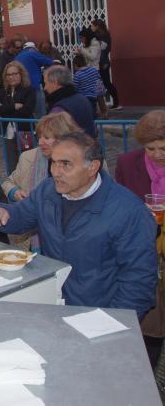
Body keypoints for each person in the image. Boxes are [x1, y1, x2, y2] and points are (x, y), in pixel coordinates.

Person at [0, 131, 158, 318]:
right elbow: (21, 214)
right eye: (54, 162)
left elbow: (139, 278)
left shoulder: (129, 211)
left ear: (92, 168)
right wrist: (3, 212)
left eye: (66, 164)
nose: (55, 172)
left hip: (99, 313)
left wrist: (115, 322)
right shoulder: (47, 191)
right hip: (54, 303)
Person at [115, 110, 165, 367]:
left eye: (163, 148)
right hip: (142, 253)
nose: (157, 154)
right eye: (151, 148)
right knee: (150, 324)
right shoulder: (127, 163)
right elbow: (119, 204)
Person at [1, 112, 82, 250]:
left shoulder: (85, 162)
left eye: (46, 138)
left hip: (72, 237)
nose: (40, 142)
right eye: (39, 137)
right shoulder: (28, 157)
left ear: (63, 137)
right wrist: (14, 192)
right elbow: (8, 182)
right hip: (35, 240)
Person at [0, 61, 36, 172]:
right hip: (7, 132)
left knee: (26, 160)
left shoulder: (29, 90)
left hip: (25, 131)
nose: (12, 77)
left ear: (21, 74)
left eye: (15, 74)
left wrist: (5, 109)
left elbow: (27, 110)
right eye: (9, 75)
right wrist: (14, 106)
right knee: (11, 162)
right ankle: (13, 186)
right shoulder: (2, 92)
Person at [44, 65, 96, 137]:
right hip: (88, 144)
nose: (45, 88)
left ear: (55, 82)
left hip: (72, 146)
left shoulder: (59, 109)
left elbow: (55, 137)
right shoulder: (82, 98)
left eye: (46, 83)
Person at [15, 40, 54, 117]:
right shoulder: (32, 53)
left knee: (27, 112)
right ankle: (42, 127)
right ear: (32, 48)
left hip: (21, 88)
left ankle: (30, 128)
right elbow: (48, 61)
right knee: (40, 112)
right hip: (35, 87)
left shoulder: (17, 57)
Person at [91, 18, 121, 109]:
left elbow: (103, 49)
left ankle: (115, 103)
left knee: (104, 83)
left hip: (102, 62)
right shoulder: (105, 35)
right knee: (105, 82)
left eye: (92, 25)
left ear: (97, 26)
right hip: (103, 62)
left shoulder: (100, 36)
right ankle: (115, 103)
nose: (91, 27)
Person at [72, 54, 107, 119]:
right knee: (93, 111)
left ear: (76, 65)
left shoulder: (77, 75)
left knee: (89, 114)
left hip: (84, 98)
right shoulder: (93, 70)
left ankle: (93, 125)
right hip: (94, 95)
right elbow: (99, 79)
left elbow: (75, 88)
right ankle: (99, 120)